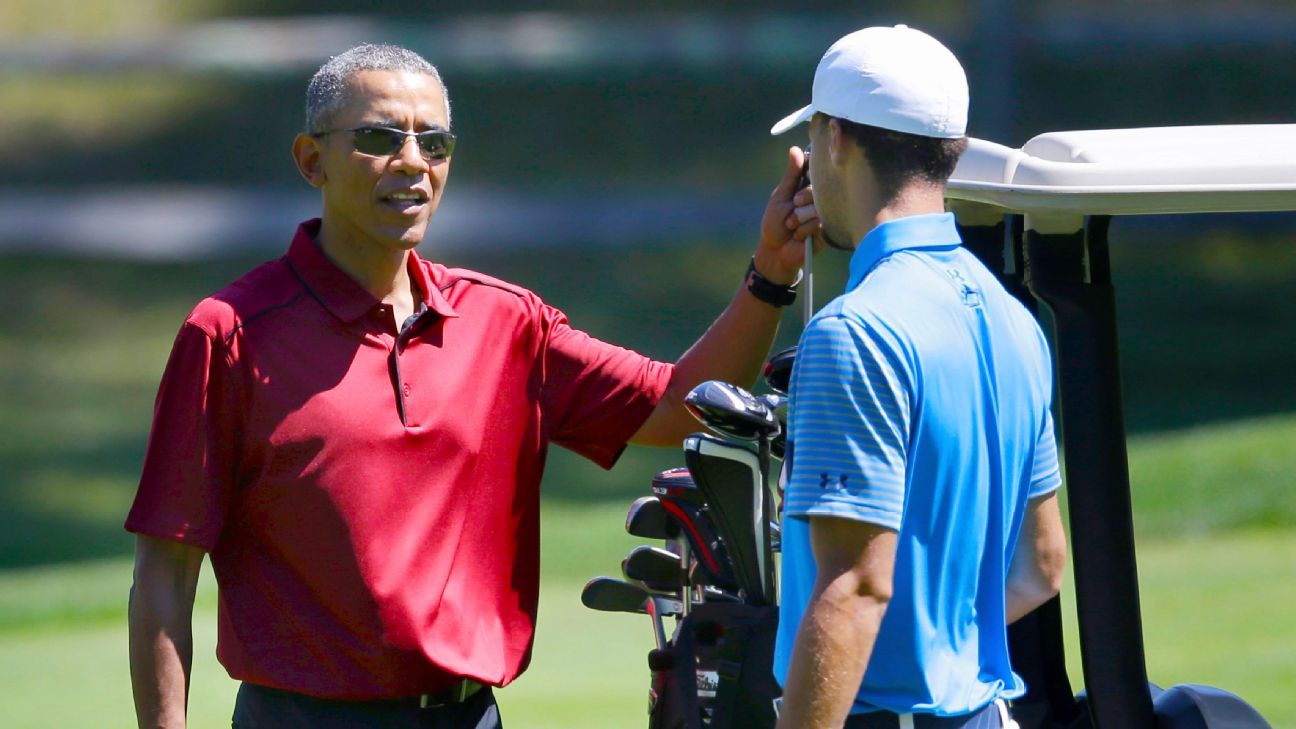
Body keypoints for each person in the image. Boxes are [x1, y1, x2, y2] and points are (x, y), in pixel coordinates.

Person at [126, 43, 819, 729]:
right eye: (378, 137)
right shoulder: (230, 333)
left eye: (434, 142)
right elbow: (165, 571)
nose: (412, 162)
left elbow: (679, 405)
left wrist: (769, 274)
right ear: (313, 160)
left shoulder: (507, 322)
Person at [768, 26, 1069, 729]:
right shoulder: (1014, 318)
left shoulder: (854, 331)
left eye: (813, 141)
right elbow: (1043, 563)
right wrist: (940, 637)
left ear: (835, 140)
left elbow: (854, 589)